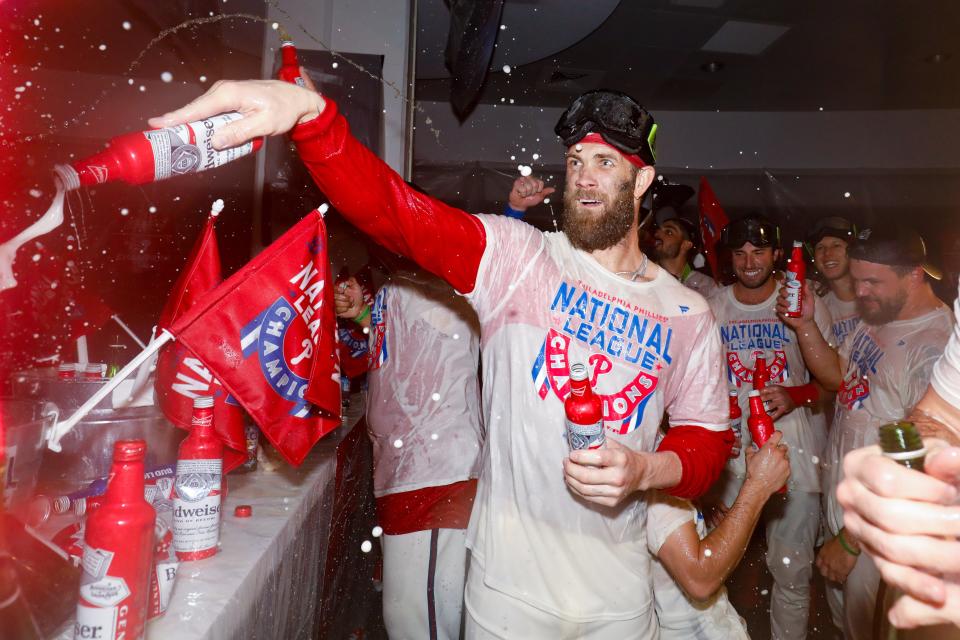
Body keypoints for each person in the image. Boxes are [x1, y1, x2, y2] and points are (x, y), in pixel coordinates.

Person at [150, 82, 734, 637]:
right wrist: (312, 119)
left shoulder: (686, 311)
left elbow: (707, 445)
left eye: (606, 163)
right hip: (508, 597)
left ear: (642, 181)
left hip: (621, 603)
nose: (583, 177)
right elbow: (397, 215)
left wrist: (644, 470)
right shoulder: (519, 259)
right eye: (576, 159)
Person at [777, 223, 953, 639]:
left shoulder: (936, 346)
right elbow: (841, 376)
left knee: (875, 629)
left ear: (914, 274)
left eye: (872, 281)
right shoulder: (878, 316)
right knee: (847, 627)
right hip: (847, 502)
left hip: (880, 525)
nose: (860, 291)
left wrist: (852, 538)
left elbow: (919, 463)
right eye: (856, 280)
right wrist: (805, 326)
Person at [335, 258, 483, 640]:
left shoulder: (456, 275)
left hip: (437, 475)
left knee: (421, 623)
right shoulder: (400, 277)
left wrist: (513, 207)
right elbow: (408, 342)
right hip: (402, 471)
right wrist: (365, 315)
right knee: (409, 620)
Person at [705, 214, 830, 639]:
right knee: (713, 567)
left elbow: (836, 382)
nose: (749, 262)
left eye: (758, 252)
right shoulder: (714, 307)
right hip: (731, 461)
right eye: (739, 254)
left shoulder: (802, 304)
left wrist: (797, 395)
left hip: (795, 456)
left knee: (791, 574)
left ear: (776, 254)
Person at [649, 430, 791, 639]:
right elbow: (699, 578)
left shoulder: (653, 443)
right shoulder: (654, 463)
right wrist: (758, 486)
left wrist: (695, 499)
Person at [808, 216, 860, 348]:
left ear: (852, 250)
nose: (827, 253)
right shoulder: (816, 306)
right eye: (820, 247)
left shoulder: (876, 296)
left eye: (836, 245)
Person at [652, 210, 718, 298]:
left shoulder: (707, 287)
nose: (657, 234)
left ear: (685, 245)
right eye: (658, 230)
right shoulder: (643, 275)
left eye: (669, 232)